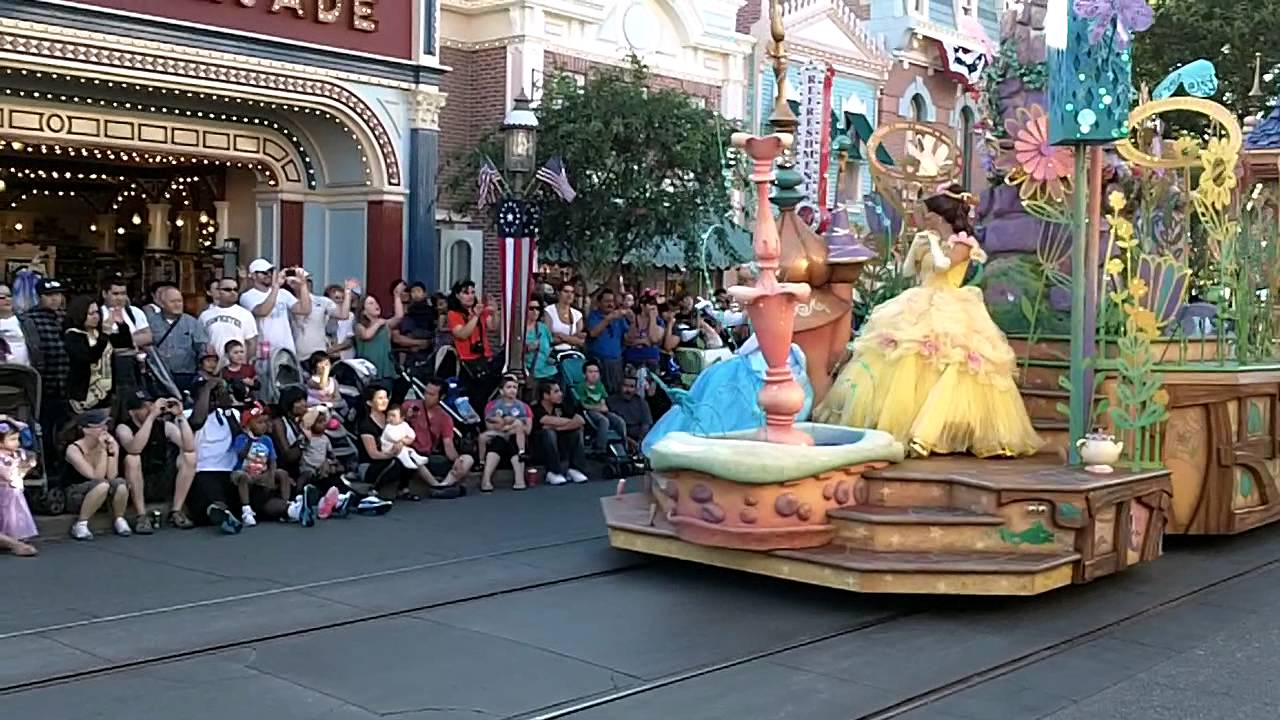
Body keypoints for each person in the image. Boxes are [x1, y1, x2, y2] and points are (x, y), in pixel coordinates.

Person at [816, 185, 1042, 458]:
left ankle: (938, 430)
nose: (925, 218)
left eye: (929, 213)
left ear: (939, 214)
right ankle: (903, 426)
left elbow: (944, 266)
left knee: (954, 360)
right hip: (921, 299)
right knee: (905, 356)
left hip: (951, 303)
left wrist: (933, 244)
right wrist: (917, 246)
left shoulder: (963, 243)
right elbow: (913, 271)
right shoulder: (928, 239)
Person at [116, 390, 197, 532]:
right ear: (132, 412)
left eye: (150, 405)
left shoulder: (164, 426)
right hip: (136, 484)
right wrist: (151, 417)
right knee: (132, 459)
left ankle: (176, 511)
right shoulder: (123, 428)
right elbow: (135, 448)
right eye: (143, 407)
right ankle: (141, 516)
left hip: (160, 479)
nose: (149, 409)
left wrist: (180, 416)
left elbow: (189, 446)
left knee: (189, 457)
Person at [186, 375, 246, 534]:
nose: (211, 399)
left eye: (214, 395)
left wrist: (226, 409)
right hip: (203, 471)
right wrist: (206, 388)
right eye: (206, 396)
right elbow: (197, 422)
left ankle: (227, 515)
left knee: (236, 494)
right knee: (212, 497)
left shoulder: (230, 414)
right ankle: (223, 515)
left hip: (229, 471)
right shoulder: (187, 414)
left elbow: (240, 439)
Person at [64, 409, 132, 541]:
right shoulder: (73, 449)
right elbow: (95, 476)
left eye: (106, 425)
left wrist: (111, 453)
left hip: (102, 492)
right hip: (76, 493)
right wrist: (101, 450)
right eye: (100, 426)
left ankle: (119, 519)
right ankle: (81, 524)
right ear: (86, 430)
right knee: (102, 485)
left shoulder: (111, 443)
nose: (105, 429)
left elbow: (112, 476)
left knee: (121, 484)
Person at [64, 296, 131, 414]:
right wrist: (104, 335)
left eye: (97, 312)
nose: (96, 316)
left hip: (106, 393)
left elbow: (125, 343)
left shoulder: (98, 334)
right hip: (83, 394)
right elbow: (90, 357)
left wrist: (121, 324)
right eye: (90, 314)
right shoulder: (73, 336)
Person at [23, 278, 69, 446]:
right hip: (44, 383)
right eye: (49, 295)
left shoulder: (67, 317)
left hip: (67, 383)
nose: (54, 299)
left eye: (57, 294)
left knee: (67, 427)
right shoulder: (29, 319)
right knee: (44, 427)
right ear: (39, 297)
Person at [231, 401, 291, 527]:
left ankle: (287, 504)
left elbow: (272, 459)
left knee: (283, 474)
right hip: (244, 472)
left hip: (262, 472)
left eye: (265, 422)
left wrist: (270, 475)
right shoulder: (241, 438)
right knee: (242, 477)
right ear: (248, 425)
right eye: (259, 423)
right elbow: (241, 455)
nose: (264, 426)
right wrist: (250, 439)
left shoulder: (267, 440)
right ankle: (246, 510)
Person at [240, 258, 312, 358]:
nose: (268, 275)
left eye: (270, 272)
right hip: (264, 351)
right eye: (264, 273)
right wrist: (276, 286)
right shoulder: (247, 296)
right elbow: (263, 311)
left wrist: (303, 285)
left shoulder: (283, 293)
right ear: (253, 275)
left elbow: (305, 309)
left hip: (287, 349)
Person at [446, 280, 497, 411]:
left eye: (472, 293)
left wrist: (495, 312)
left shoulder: (480, 311)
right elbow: (462, 334)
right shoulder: (453, 314)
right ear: (457, 295)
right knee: (471, 398)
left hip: (484, 358)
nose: (470, 296)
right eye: (466, 293)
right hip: (467, 362)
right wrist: (475, 316)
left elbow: (493, 326)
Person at [146, 286, 207, 392]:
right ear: (162, 304)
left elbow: (201, 348)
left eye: (179, 301)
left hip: (186, 374)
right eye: (173, 301)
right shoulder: (150, 322)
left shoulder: (192, 322)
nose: (177, 304)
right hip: (158, 375)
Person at [532, 380, 589, 486]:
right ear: (546, 395)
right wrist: (568, 423)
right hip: (541, 448)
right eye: (556, 392)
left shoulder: (562, 406)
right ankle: (553, 472)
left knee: (576, 431)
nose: (560, 394)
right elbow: (546, 420)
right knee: (548, 433)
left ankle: (574, 469)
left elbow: (580, 421)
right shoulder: (536, 408)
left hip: (561, 442)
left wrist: (559, 428)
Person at [479, 376, 530, 492]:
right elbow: (490, 424)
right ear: (501, 390)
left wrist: (512, 425)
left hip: (515, 435)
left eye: (515, 387)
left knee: (514, 443)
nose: (512, 390)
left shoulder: (522, 406)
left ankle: (519, 479)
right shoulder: (493, 406)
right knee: (496, 443)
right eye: (509, 387)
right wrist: (502, 424)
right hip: (499, 435)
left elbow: (527, 428)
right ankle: (485, 479)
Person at [355, 282, 407, 382]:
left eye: (376, 302)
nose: (376, 305)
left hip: (385, 369)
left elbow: (399, 316)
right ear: (364, 311)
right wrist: (378, 323)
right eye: (371, 303)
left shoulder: (385, 324)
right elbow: (366, 335)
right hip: (367, 369)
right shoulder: (359, 326)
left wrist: (397, 296)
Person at [0, 420, 38, 555]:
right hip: (3, 490)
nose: (17, 442)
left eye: (17, 439)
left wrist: (8, 419)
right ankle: (14, 543)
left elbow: (24, 427)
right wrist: (23, 468)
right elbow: (8, 475)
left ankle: (13, 539)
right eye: (13, 439)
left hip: (13, 490)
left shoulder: (17, 454)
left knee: (13, 516)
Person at [199, 277, 258, 362]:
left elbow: (252, 343)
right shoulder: (205, 315)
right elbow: (200, 342)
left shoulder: (246, 314)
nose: (233, 292)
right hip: (213, 366)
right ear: (218, 291)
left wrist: (248, 366)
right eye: (228, 289)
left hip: (238, 367)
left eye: (235, 289)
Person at [575, 360, 627, 456]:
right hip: (589, 412)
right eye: (590, 372)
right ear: (584, 374)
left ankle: (624, 447)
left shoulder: (600, 386)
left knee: (620, 421)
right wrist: (598, 407)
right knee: (604, 421)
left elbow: (603, 402)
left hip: (601, 410)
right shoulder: (581, 387)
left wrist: (601, 407)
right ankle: (600, 449)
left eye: (596, 372)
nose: (594, 375)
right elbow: (584, 405)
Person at [293, 277, 354, 359]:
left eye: (305, 281)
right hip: (295, 354)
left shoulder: (322, 301)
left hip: (320, 354)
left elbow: (343, 315)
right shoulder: (287, 300)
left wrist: (348, 292)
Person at [585, 288, 630, 393]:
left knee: (616, 393)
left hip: (616, 362)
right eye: (607, 301)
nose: (610, 304)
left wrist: (633, 322)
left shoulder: (619, 317)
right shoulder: (593, 316)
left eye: (612, 301)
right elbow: (593, 333)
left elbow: (628, 338)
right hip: (599, 362)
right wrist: (608, 319)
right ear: (599, 303)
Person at [101, 275, 152, 349]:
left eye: (123, 294)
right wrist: (134, 337)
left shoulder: (135, 312)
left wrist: (120, 340)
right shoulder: (98, 313)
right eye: (115, 294)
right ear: (104, 294)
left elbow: (148, 337)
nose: (120, 298)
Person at [393, 281, 435, 369]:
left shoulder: (430, 311)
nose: (404, 294)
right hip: (409, 355)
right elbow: (397, 339)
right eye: (413, 291)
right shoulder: (397, 316)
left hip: (426, 352)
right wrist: (417, 343)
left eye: (406, 291)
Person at [608, 372, 653, 451]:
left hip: (640, 437)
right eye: (625, 386)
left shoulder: (641, 402)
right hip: (619, 436)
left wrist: (640, 441)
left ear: (635, 388)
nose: (628, 390)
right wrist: (628, 440)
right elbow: (611, 426)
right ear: (620, 386)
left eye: (631, 387)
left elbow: (646, 424)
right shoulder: (611, 401)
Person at [623, 293, 664, 373]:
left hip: (651, 359)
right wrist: (644, 341)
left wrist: (653, 318)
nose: (653, 307)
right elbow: (627, 340)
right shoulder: (632, 319)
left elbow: (654, 339)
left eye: (654, 304)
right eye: (650, 304)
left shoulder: (658, 321)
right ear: (642, 305)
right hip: (632, 358)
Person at [380, 404, 429, 469]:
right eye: (389, 415)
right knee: (403, 451)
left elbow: (412, 434)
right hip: (388, 448)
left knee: (410, 450)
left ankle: (418, 459)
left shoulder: (404, 425)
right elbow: (393, 437)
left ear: (401, 418)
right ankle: (407, 462)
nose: (390, 418)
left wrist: (407, 439)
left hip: (401, 446)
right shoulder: (388, 427)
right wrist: (404, 439)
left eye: (393, 416)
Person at [545, 281, 585, 354]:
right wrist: (571, 339)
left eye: (572, 292)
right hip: (553, 353)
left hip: (572, 352)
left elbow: (581, 341)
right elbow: (547, 338)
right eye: (566, 291)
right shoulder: (549, 310)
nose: (569, 295)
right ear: (558, 293)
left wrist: (563, 336)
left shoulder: (577, 314)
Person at [524, 298, 557, 382]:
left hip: (549, 370)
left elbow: (550, 345)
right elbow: (512, 352)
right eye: (531, 308)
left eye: (538, 308)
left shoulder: (543, 327)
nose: (535, 312)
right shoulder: (519, 329)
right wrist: (527, 348)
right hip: (530, 372)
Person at [324, 284, 358, 360]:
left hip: (346, 357)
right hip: (325, 358)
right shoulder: (323, 315)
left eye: (343, 298)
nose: (341, 300)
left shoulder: (350, 316)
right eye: (337, 298)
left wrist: (334, 349)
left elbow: (351, 340)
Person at [0, 284, 30, 366]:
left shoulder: (26, 322)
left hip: (24, 372)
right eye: (1, 297)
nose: (7, 299)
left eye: (9, 296)